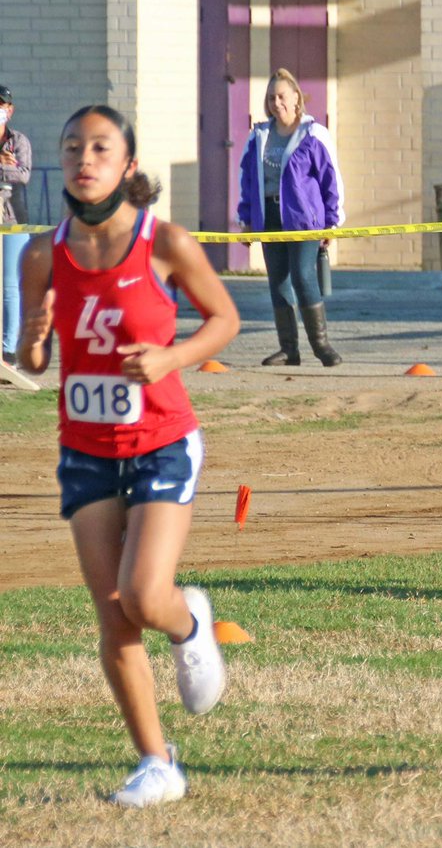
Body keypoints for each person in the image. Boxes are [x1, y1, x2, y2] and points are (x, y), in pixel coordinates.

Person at [17, 105, 240, 807]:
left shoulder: (164, 241)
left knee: (145, 596)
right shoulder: (39, 253)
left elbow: (225, 320)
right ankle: (156, 764)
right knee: (112, 613)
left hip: (162, 442)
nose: (84, 158)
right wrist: (34, 337)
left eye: (101, 147)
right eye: (73, 145)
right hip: (85, 448)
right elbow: (32, 357)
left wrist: (171, 355)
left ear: (127, 166)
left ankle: (189, 621)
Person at [237, 68, 344, 367]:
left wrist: (332, 222)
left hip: (304, 218)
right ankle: (289, 349)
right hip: (270, 215)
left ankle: (322, 346)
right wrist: (245, 217)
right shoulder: (258, 136)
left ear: (296, 98)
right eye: (271, 98)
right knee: (278, 281)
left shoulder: (313, 134)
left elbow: (330, 179)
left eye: (282, 96)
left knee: (302, 274)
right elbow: (246, 178)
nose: (276, 103)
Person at [0, 84, 32, 364]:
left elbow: (22, 175)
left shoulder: (18, 141)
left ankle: (8, 350)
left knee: (10, 285)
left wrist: (3, 166)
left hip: (13, 220)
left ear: (10, 110)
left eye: (3, 106)